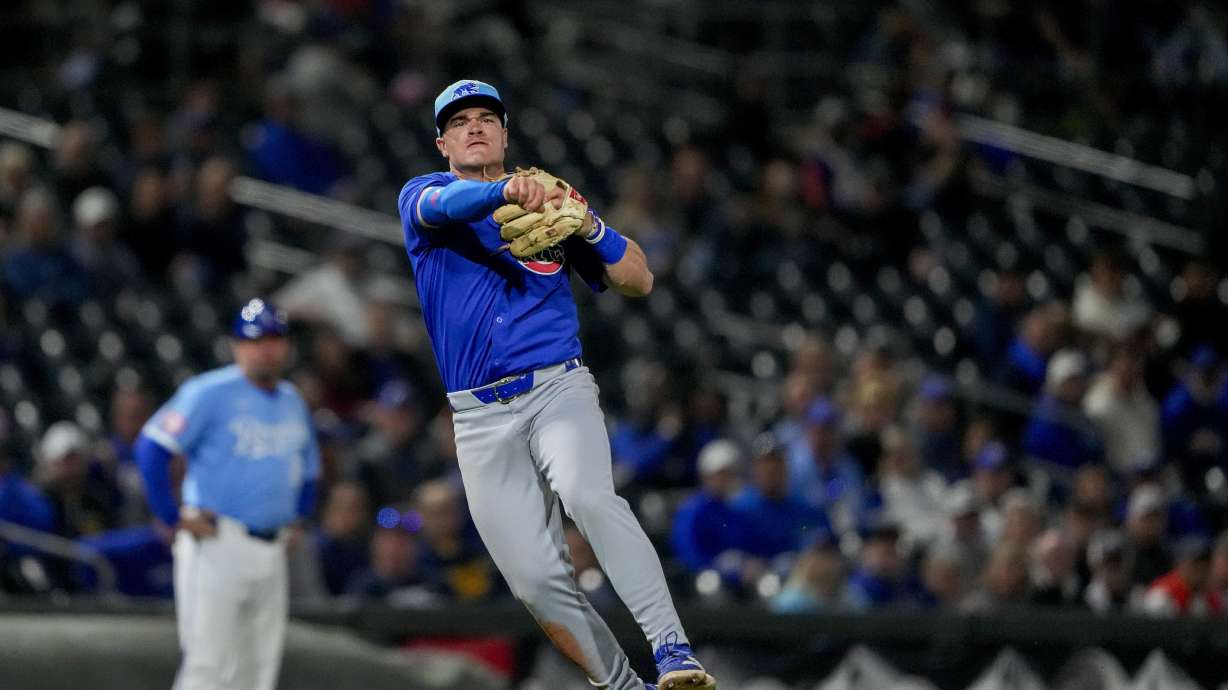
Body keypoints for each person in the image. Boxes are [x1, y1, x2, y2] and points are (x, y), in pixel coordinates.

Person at [395, 80, 713, 690]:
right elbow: (441, 209)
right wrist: (501, 190)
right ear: (442, 143)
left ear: (506, 133)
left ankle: (673, 652)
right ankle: (622, 687)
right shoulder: (424, 193)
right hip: (478, 418)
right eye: (460, 122)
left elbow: (638, 280)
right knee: (536, 583)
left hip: (555, 389)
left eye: (487, 117)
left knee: (588, 494)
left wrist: (588, 226)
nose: (475, 127)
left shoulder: (550, 202)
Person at [134, 299, 320, 690]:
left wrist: (300, 517)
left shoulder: (292, 400)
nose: (265, 348)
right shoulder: (210, 392)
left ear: (286, 346)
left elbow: (309, 470)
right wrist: (170, 515)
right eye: (254, 340)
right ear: (236, 345)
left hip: (273, 548)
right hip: (219, 541)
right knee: (208, 667)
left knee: (258, 672)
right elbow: (152, 447)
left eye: (273, 338)